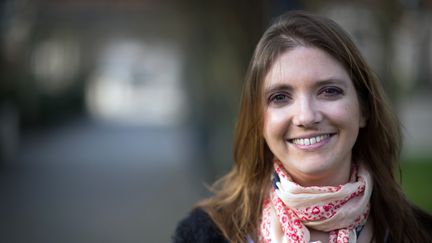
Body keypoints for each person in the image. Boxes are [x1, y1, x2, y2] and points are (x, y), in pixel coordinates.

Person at [173, 11, 432, 243]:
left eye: (329, 91)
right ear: (259, 120)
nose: (306, 117)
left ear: (363, 109)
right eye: (280, 97)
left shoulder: (419, 233)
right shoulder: (204, 234)